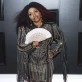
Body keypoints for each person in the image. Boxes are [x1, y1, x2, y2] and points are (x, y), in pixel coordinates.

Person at [16, 2, 67, 82]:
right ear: (28, 17)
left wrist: (54, 52)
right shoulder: (23, 29)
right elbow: (20, 46)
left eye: (35, 11)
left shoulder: (51, 27)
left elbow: (61, 41)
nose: (34, 15)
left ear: (41, 12)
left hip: (46, 64)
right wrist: (31, 45)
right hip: (30, 65)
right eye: (30, 14)